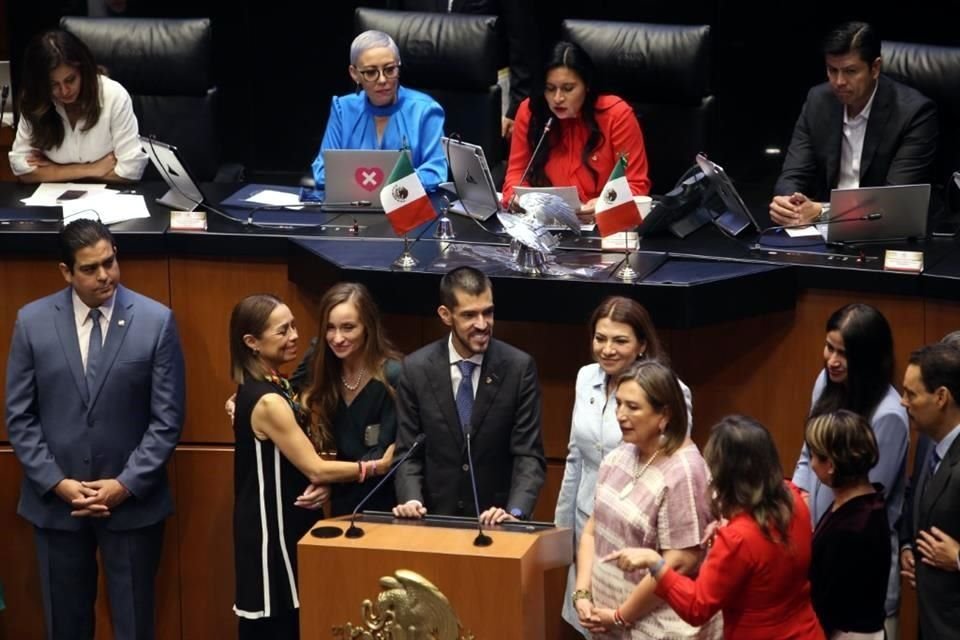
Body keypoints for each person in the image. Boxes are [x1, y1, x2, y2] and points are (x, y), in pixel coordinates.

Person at [5, 219, 185, 640]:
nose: (104, 275)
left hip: (132, 504)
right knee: (65, 627)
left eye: (110, 262)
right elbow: (20, 416)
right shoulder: (32, 322)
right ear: (66, 272)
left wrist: (124, 484)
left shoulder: (155, 321)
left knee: (135, 626)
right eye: (90, 268)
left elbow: (167, 419)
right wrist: (57, 482)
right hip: (57, 504)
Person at [228, 294, 393, 639]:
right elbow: (316, 469)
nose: (294, 336)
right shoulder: (268, 400)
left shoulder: (276, 385)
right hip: (272, 532)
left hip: (289, 522)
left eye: (293, 326)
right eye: (282, 331)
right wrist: (375, 466)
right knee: (276, 627)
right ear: (252, 343)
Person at [605, 416, 825, 640]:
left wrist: (656, 563)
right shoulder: (794, 498)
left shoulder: (736, 539)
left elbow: (697, 607)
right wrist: (726, 523)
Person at [554, 295, 694, 636]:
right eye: (600, 339)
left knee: (628, 622)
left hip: (638, 535)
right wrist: (561, 529)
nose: (607, 349)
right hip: (588, 523)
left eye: (620, 340)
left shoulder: (673, 393)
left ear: (642, 345)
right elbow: (575, 458)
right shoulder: (585, 378)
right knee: (585, 618)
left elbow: (671, 470)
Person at [572, 361, 721, 638]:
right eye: (618, 403)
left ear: (664, 414)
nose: (620, 415)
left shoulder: (684, 470)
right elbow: (593, 530)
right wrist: (582, 594)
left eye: (633, 407)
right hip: (607, 622)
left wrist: (620, 616)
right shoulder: (621, 454)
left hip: (657, 629)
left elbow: (680, 562)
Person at [391, 266, 545, 524]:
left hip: (497, 522)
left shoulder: (518, 368)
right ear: (446, 315)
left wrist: (515, 512)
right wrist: (412, 500)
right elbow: (408, 452)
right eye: (469, 315)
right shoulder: (416, 369)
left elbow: (528, 455)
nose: (482, 324)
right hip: (434, 522)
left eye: (488, 312)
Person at [791, 303, 908, 636]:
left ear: (869, 358)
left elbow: (859, 500)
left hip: (857, 573)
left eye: (844, 353)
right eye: (829, 347)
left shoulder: (887, 415)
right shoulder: (825, 382)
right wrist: (799, 507)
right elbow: (805, 454)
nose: (832, 360)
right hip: (819, 542)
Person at [769, 21, 937, 226]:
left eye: (850, 71)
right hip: (822, 229)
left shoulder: (914, 113)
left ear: (875, 68)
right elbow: (793, 174)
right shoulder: (818, 100)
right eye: (832, 70)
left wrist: (822, 211)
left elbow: (895, 201)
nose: (839, 82)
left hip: (884, 231)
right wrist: (789, 203)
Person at [501, 40, 650, 217]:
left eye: (568, 89)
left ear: (587, 85)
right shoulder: (531, 112)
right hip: (543, 221)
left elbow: (635, 184)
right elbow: (517, 173)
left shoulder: (617, 115)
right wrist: (516, 198)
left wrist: (606, 203)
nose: (557, 98)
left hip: (601, 223)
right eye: (550, 89)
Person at [301, 282, 402, 516]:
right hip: (342, 499)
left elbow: (384, 457)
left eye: (348, 328)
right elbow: (282, 394)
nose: (337, 338)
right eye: (330, 328)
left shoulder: (392, 376)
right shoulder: (321, 364)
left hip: (383, 502)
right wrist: (242, 398)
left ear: (367, 326)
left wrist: (330, 478)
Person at [309, 30, 447, 191]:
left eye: (389, 69)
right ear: (354, 74)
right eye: (370, 72)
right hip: (353, 208)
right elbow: (322, 171)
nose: (382, 80)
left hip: (407, 208)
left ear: (399, 67)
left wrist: (381, 184)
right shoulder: (342, 109)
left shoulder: (426, 111)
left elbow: (436, 172)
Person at [8, 29, 148, 183]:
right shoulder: (35, 99)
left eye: (70, 80)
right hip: (51, 201)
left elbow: (130, 171)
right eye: (53, 84)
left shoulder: (113, 95)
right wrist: (93, 169)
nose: (64, 91)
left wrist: (53, 171)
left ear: (83, 71)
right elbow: (22, 170)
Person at [805, 410, 889, 639]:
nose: (811, 464)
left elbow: (827, 605)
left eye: (813, 455)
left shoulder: (852, 527)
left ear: (830, 465)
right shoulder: (866, 503)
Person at [898, 343, 960, 640]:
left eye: (911, 394)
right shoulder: (928, 443)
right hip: (932, 622)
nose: (902, 402)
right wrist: (909, 546)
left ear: (941, 397)